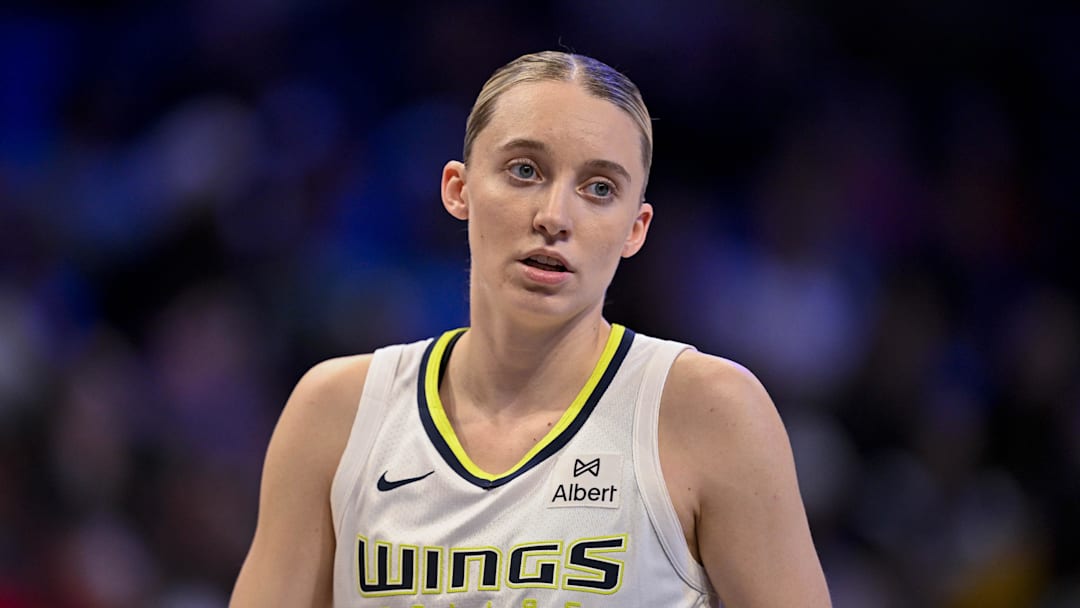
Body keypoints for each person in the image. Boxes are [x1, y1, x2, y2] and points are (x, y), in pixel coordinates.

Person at [230, 50, 831, 607]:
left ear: (635, 229)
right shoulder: (336, 412)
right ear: (458, 189)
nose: (554, 217)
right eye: (524, 170)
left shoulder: (709, 411)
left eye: (600, 188)